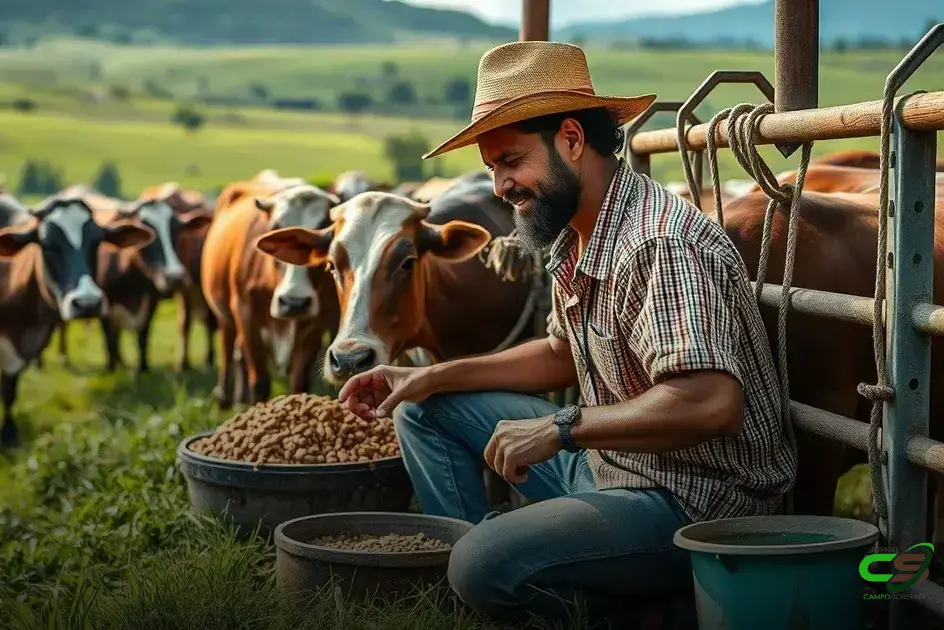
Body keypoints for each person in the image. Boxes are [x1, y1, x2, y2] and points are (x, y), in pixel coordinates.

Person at [336, 41, 798, 627]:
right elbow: (561, 353)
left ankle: (594, 597)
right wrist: (427, 375)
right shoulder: (578, 233)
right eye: (492, 169)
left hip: (692, 500)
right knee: (422, 408)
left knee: (481, 563)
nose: (501, 185)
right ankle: (516, 569)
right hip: (616, 466)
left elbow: (710, 402)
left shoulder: (660, 244)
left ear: (572, 141)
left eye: (510, 160)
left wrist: (559, 428)